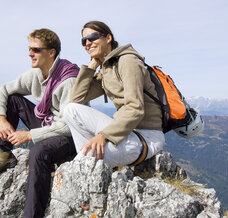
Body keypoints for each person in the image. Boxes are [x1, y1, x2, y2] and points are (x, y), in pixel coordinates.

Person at [0, 28, 79, 218]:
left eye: (36, 49)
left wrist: (30, 135)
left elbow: (69, 126)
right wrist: (0, 118)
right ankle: (3, 153)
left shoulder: (68, 81)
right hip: (48, 123)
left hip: (69, 137)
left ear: (51, 53)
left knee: (38, 152)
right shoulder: (36, 74)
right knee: (13, 99)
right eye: (29, 49)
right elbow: (2, 91)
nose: (30, 54)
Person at [63, 20, 165, 168]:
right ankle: (89, 158)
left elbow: (135, 108)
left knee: (86, 161)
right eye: (84, 41)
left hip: (146, 135)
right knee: (70, 110)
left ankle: (88, 160)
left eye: (92, 37)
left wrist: (103, 136)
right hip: (127, 132)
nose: (88, 43)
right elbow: (77, 98)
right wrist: (92, 66)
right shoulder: (107, 68)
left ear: (108, 38)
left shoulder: (128, 61)